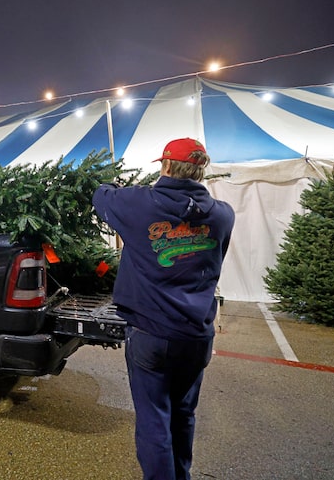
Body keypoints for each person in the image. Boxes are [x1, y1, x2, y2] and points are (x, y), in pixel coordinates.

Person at [92, 138, 235, 480]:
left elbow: (101, 196)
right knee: (183, 414)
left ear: (166, 166)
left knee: (154, 420)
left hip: (150, 335)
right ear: (201, 169)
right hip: (196, 336)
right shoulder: (222, 216)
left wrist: (112, 181)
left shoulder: (139, 203)